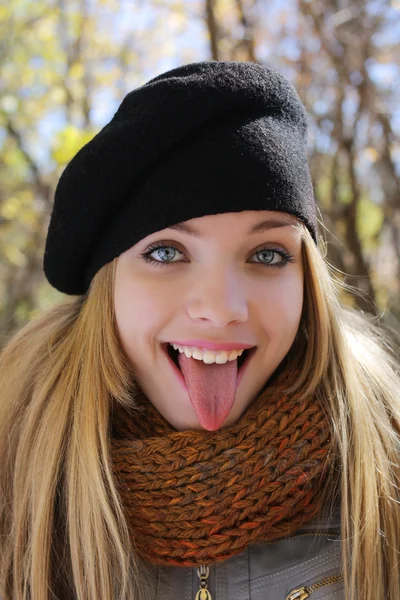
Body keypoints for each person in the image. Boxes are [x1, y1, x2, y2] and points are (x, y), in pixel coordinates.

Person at [0, 60, 399, 600]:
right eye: (167, 252)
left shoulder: (384, 472)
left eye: (266, 253)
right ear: (108, 284)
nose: (221, 307)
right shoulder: (17, 481)